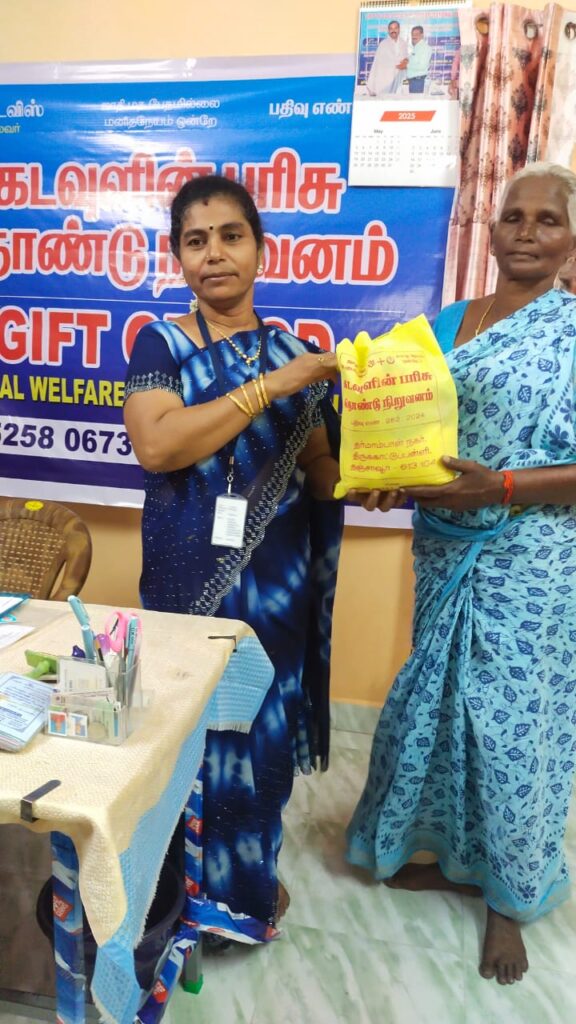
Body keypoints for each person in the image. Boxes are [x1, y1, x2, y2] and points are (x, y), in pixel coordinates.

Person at [124, 174, 392, 935]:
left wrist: (377, 476)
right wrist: (273, 386)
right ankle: (175, 894)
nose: (214, 254)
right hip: (185, 591)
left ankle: (241, 895)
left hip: (274, 593)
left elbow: (319, 468)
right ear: (178, 257)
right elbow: (158, 445)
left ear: (260, 249)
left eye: (230, 236)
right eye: (195, 240)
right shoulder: (162, 343)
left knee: (258, 746)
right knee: (182, 741)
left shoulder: (295, 354)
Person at [346, 162, 576, 986]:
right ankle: (443, 851)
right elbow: (411, 431)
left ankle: (509, 899)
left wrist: (503, 487)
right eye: (513, 216)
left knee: (514, 729)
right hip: (445, 543)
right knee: (437, 704)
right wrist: (382, 476)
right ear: (492, 228)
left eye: (547, 219)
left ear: (571, 238)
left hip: (531, 555)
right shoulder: (448, 323)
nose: (527, 232)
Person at [366, 20, 408, 97]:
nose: (393, 30)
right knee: (384, 98)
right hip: (384, 78)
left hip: (399, 78)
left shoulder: (403, 43)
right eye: (391, 28)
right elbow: (378, 64)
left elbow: (405, 59)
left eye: (395, 28)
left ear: (399, 29)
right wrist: (394, 66)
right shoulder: (383, 44)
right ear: (388, 31)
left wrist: (404, 62)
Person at [406, 25, 432, 94]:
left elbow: (422, 66)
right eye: (412, 34)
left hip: (418, 82)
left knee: (416, 101)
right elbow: (413, 63)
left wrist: (406, 65)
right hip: (413, 81)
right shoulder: (416, 48)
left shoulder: (426, 48)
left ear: (422, 35)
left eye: (416, 34)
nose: (414, 36)